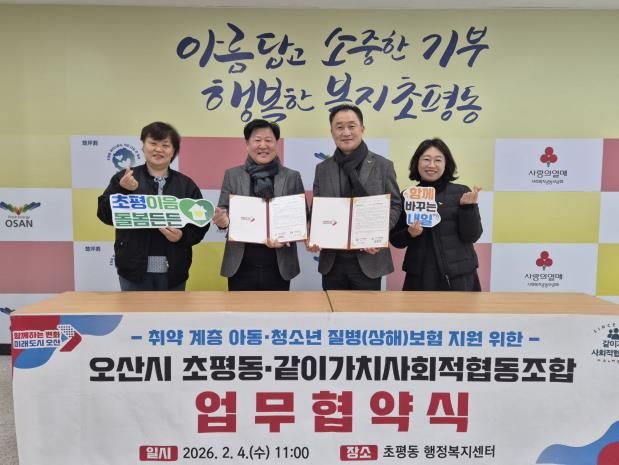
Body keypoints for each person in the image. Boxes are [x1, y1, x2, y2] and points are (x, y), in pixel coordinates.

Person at [97, 121, 207, 291]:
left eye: (165, 145)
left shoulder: (186, 185)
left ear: (173, 151)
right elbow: (104, 214)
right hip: (133, 271)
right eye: (153, 143)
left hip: (174, 272)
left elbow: (201, 224)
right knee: (134, 310)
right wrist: (122, 189)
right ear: (143, 146)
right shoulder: (125, 178)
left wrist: (182, 236)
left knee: (172, 309)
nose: (158, 149)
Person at [309, 104, 401, 290]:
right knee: (332, 309)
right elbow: (318, 209)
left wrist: (378, 234)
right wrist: (314, 232)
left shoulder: (383, 166)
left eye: (351, 126)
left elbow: (395, 204)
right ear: (332, 132)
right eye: (339, 127)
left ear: (362, 129)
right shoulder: (323, 169)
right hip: (332, 261)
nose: (346, 132)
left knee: (366, 310)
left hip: (369, 259)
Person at [212, 119, 305, 291]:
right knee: (240, 308)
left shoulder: (291, 177)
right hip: (240, 263)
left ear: (276, 144)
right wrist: (222, 221)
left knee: (276, 309)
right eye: (257, 140)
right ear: (247, 144)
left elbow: (300, 217)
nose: (263, 145)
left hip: (279, 263)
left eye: (268, 140)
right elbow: (223, 212)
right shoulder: (233, 175)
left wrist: (287, 236)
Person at [390, 138, 482, 291]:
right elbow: (395, 240)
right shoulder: (407, 195)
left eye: (438, 160)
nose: (431, 165)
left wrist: (468, 209)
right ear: (417, 163)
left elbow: (472, 236)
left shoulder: (461, 192)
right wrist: (409, 233)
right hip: (420, 276)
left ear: (446, 164)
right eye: (426, 159)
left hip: (460, 276)